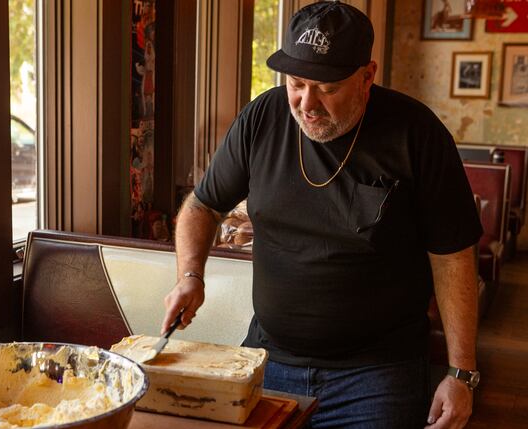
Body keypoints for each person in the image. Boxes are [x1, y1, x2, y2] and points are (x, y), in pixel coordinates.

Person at [162, 2, 482, 428]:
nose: (306, 103)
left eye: (327, 89)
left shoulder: (417, 134)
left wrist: (461, 373)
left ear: (367, 77)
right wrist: (190, 276)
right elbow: (202, 205)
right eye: (296, 83)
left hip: (377, 375)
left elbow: (453, 256)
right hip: (268, 358)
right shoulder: (262, 117)